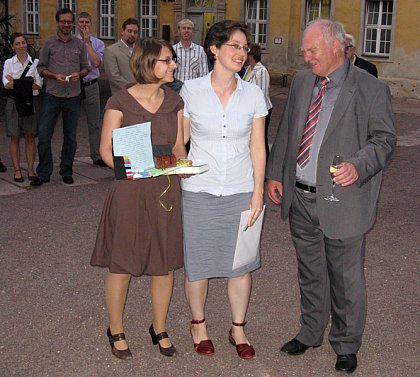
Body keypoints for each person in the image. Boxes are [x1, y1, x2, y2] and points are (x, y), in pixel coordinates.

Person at [266, 19, 396, 374]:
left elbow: (385, 140)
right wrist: (275, 174)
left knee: (345, 277)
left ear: (336, 46)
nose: (306, 57)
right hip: (301, 198)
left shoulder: (370, 89)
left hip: (344, 199)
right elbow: (289, 130)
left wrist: (359, 164)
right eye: (305, 50)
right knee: (309, 273)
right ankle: (310, 333)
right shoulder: (303, 82)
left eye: (312, 50)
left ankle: (346, 343)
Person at [90, 37, 186, 360]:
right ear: (148, 64)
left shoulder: (175, 101)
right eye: (167, 60)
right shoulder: (119, 102)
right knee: (122, 263)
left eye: (173, 60)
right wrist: (138, 167)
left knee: (165, 264)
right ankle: (115, 328)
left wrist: (183, 165)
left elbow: (177, 147)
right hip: (130, 189)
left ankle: (159, 327)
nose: (174, 65)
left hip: (165, 190)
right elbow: (105, 151)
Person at [180, 20, 267, 359]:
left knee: (241, 265)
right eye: (234, 45)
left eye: (245, 47)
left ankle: (238, 328)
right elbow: (179, 140)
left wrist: (257, 192)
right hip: (199, 190)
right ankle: (198, 324)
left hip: (241, 190)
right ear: (214, 49)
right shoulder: (190, 90)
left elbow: (258, 147)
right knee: (198, 263)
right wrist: (178, 161)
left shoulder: (254, 94)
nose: (241, 53)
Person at [31, 8, 89, 186]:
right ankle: (44, 172)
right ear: (58, 22)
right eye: (63, 21)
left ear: (72, 23)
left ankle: (66, 170)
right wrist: (53, 75)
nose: (66, 24)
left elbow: (86, 68)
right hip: (52, 94)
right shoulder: (49, 43)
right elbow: (40, 68)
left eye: (69, 21)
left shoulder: (79, 45)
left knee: (70, 136)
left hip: (73, 95)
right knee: (44, 134)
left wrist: (79, 74)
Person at [2, 32, 43, 182]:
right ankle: (17, 170)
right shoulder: (8, 63)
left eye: (23, 43)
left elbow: (38, 85)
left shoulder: (36, 63)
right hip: (14, 102)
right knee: (14, 137)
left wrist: (17, 82)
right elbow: (7, 85)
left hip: (29, 102)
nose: (21, 46)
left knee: (30, 136)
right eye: (17, 44)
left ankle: (31, 169)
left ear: (27, 44)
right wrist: (27, 82)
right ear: (13, 47)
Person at [76, 12, 107, 167]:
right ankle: (69, 156)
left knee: (94, 122)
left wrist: (88, 44)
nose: (84, 25)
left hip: (91, 85)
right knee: (71, 122)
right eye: (81, 22)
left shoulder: (98, 43)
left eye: (86, 22)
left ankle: (96, 155)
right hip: (74, 85)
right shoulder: (71, 42)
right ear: (77, 24)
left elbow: (96, 63)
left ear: (91, 24)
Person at [243, 43, 273, 158]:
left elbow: (262, 95)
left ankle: (266, 164)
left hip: (262, 112)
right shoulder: (248, 69)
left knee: (261, 138)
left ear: (250, 55)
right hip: (249, 111)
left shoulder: (261, 71)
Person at [103, 18, 139, 95]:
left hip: (141, 95)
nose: (132, 34)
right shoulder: (111, 50)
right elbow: (114, 77)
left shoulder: (140, 50)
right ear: (122, 32)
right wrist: (134, 88)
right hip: (122, 95)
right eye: (129, 31)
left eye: (135, 32)